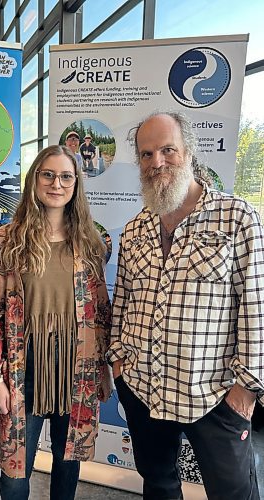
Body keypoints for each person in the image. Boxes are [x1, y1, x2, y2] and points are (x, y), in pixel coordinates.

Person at [108, 111, 264, 500]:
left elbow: (256, 307)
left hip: (213, 395)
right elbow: (123, 298)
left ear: (189, 152)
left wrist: (246, 389)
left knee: (233, 492)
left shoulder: (237, 218)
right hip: (144, 389)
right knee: (158, 484)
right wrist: (119, 364)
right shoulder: (135, 228)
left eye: (167, 150)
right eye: (146, 154)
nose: (156, 162)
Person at [0, 145, 111, 500]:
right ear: (34, 179)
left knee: (69, 459)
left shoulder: (92, 242)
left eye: (66, 176)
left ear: (76, 184)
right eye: (48, 174)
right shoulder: (6, 242)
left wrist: (104, 366)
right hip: (24, 369)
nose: (57, 183)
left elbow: (100, 309)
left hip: (76, 368)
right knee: (16, 468)